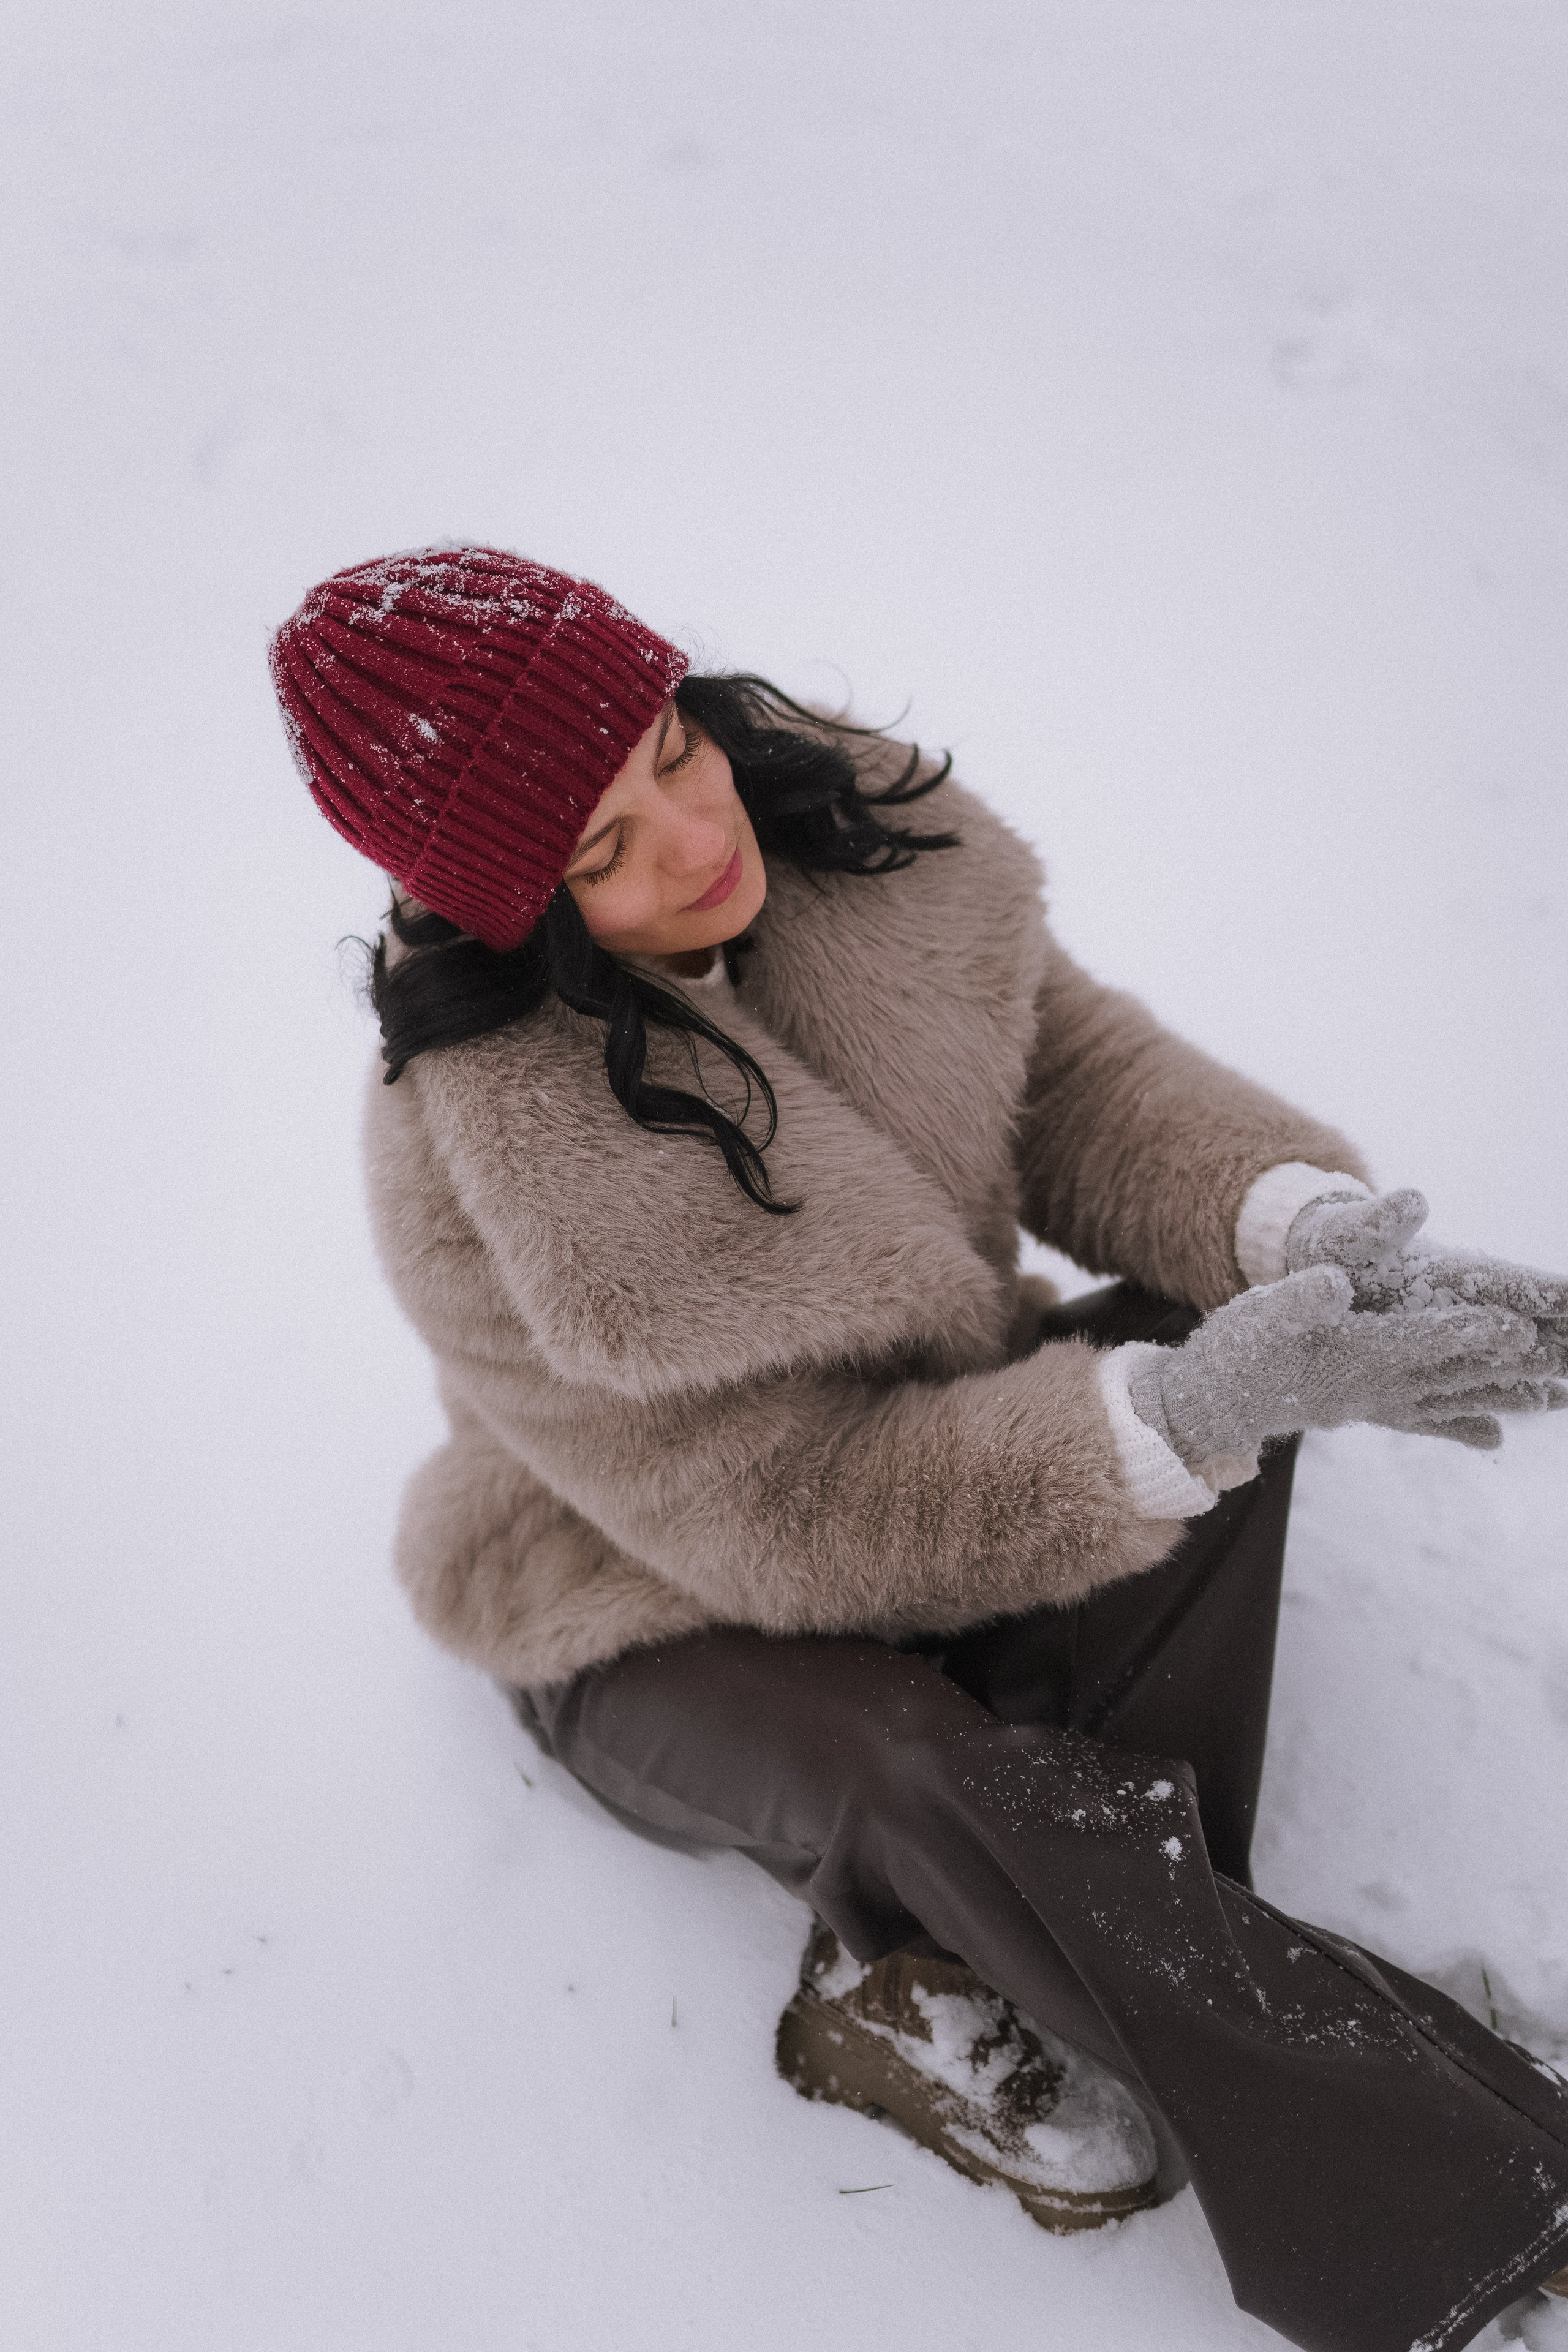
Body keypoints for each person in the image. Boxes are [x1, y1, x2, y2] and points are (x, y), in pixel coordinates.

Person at [271, 545, 1568, 2352]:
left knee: (1235, 1339)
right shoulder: (485, 1165)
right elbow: (781, 1521)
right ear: (510, 915)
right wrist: (1174, 1433)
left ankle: (984, 1961)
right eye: (595, 852)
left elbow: (1074, 1082)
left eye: (665, 745)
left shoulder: (843, 821)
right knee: (915, 1768)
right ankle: (1478, 2217)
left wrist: (1303, 1238)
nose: (685, 830)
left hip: (937, 1462)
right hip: (652, 1601)